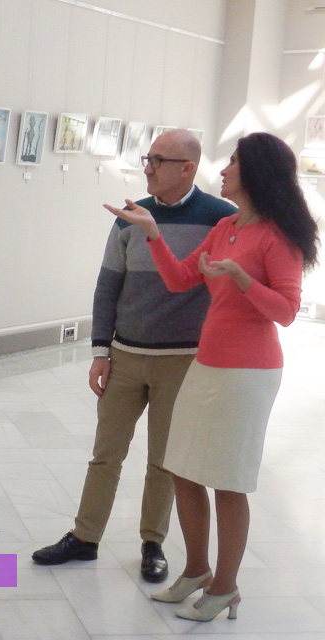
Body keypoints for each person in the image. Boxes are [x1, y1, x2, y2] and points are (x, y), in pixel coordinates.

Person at [105, 132, 319, 621]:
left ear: (258, 172)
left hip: (248, 372)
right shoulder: (224, 226)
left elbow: (285, 311)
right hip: (208, 363)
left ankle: (225, 587)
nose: (223, 169)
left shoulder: (277, 236)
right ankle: (197, 570)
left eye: (235, 162)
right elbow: (182, 278)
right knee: (182, 469)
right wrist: (154, 233)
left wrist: (243, 279)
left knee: (228, 481)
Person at [32, 129, 236, 583]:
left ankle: (152, 543)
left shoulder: (222, 219)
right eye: (147, 157)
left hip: (182, 361)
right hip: (125, 355)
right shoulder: (128, 219)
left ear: (187, 168)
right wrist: (101, 350)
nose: (147, 167)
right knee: (106, 453)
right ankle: (85, 537)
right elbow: (108, 286)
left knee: (164, 460)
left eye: (157, 160)